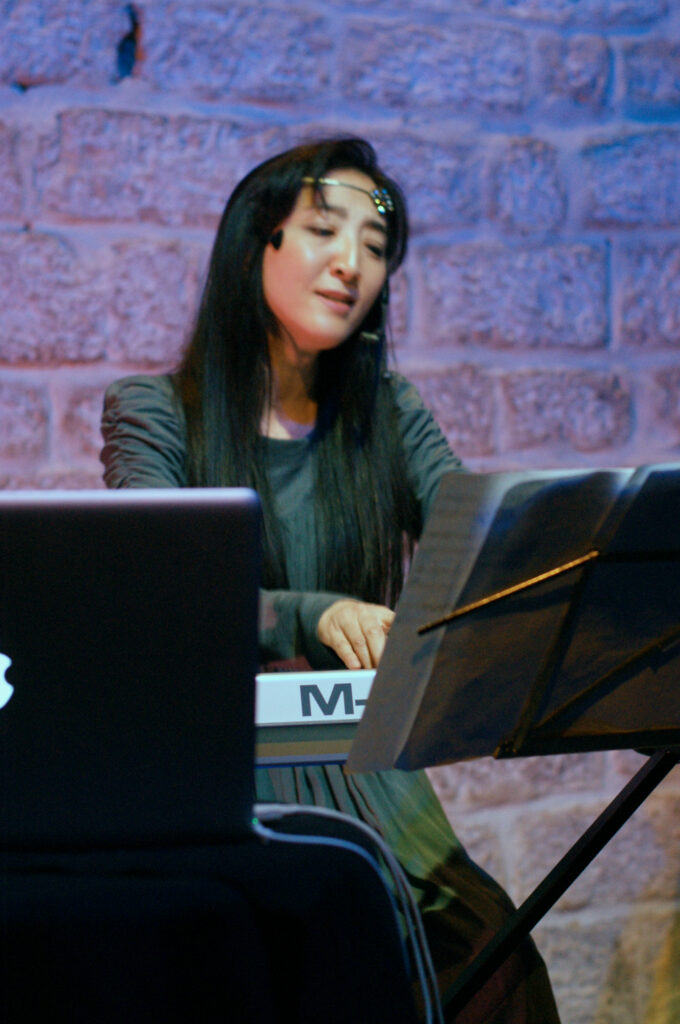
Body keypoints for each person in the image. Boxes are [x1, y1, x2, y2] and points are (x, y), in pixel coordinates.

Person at [100, 137, 560, 1023]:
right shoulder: (154, 410)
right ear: (256, 244)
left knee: (493, 960)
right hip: (228, 770)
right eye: (324, 231)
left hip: (369, 768)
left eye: (376, 247)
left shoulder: (389, 411)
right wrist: (315, 615)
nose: (353, 263)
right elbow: (161, 587)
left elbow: (479, 539)